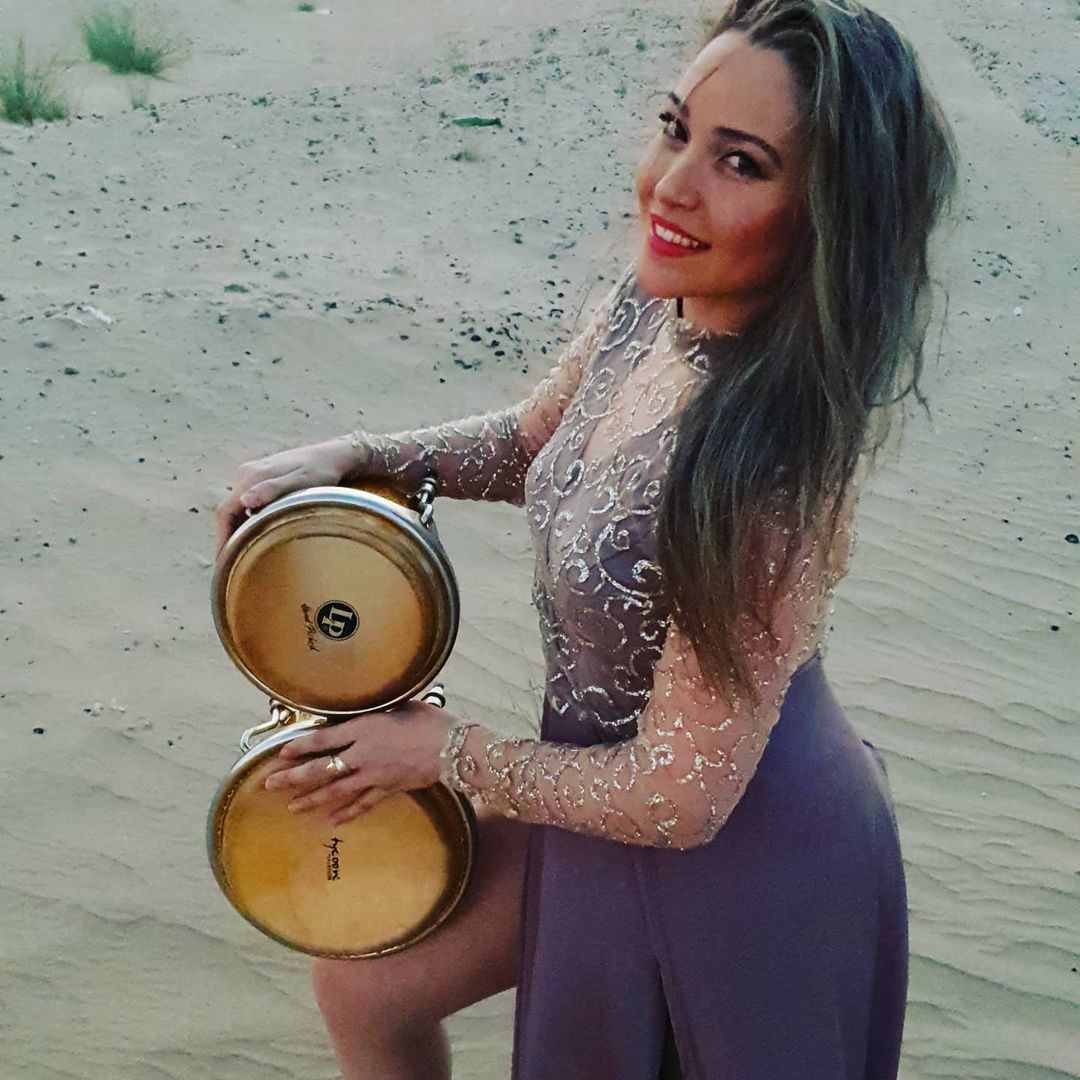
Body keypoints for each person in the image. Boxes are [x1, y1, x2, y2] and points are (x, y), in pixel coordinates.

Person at [215, 1, 958, 1076]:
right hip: (595, 790)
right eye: (676, 130)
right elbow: (535, 443)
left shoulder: (770, 465)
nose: (671, 185)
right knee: (366, 983)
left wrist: (443, 752)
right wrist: (362, 457)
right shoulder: (654, 304)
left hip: (743, 855)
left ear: (826, 218)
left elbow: (680, 795)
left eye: (740, 162)